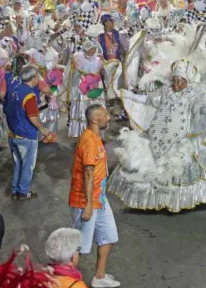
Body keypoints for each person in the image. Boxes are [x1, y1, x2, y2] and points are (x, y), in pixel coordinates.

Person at [109, 58, 206, 212]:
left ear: (187, 81)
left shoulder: (196, 93)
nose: (176, 84)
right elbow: (149, 101)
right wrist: (127, 95)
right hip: (158, 135)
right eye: (174, 80)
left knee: (181, 164)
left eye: (180, 81)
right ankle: (154, 198)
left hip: (184, 136)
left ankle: (182, 198)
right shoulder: (165, 90)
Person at [69, 105, 120, 288]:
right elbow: (88, 174)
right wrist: (89, 205)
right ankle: (67, 281)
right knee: (78, 247)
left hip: (100, 200)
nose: (109, 117)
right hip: (86, 202)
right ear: (94, 120)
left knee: (108, 237)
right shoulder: (89, 141)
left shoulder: (96, 138)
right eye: (105, 114)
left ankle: (99, 277)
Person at [3, 65, 55, 201]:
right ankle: (23, 192)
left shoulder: (15, 89)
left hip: (13, 134)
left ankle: (16, 190)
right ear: (33, 78)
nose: (39, 78)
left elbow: (9, 109)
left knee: (18, 164)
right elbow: (32, 116)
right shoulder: (30, 95)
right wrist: (43, 129)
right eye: (37, 76)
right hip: (26, 135)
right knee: (27, 166)